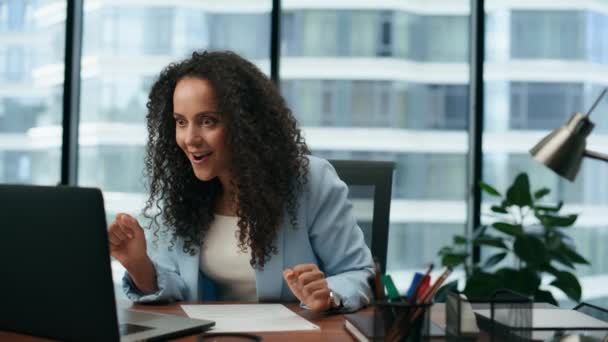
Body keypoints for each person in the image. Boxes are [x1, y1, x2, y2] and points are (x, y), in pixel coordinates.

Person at [107, 50, 374, 312]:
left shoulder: (311, 181)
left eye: (208, 121)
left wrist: (327, 294)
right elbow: (178, 286)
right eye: (180, 122)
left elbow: (358, 273)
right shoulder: (186, 190)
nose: (189, 139)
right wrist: (138, 263)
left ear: (245, 123)